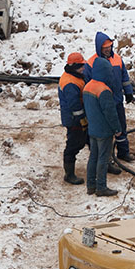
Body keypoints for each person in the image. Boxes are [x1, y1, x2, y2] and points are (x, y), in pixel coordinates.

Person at [83, 31, 135, 164]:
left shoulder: (117, 59)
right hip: (101, 103)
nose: (108, 50)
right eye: (105, 48)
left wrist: (128, 91)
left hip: (116, 100)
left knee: (121, 127)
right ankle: (106, 159)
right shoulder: (91, 63)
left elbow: (124, 77)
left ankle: (123, 152)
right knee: (104, 131)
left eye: (110, 47)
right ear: (99, 47)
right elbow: (88, 84)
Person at [82, 57, 121, 197]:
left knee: (93, 157)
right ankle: (101, 187)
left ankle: (90, 186)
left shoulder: (88, 86)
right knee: (103, 160)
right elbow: (110, 113)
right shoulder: (104, 90)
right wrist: (117, 129)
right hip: (104, 131)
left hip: (92, 129)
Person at [58, 52, 88, 186]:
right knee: (74, 143)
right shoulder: (70, 83)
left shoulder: (76, 76)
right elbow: (75, 106)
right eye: (81, 66)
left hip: (78, 117)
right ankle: (69, 174)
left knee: (91, 140)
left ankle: (104, 163)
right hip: (74, 119)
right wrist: (82, 119)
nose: (84, 68)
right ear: (75, 66)